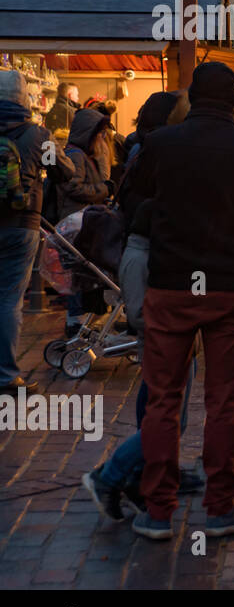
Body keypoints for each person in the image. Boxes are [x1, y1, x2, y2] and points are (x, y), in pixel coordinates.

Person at [130, 61, 234, 540]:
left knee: (163, 400)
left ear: (193, 98)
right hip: (230, 286)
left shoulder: (160, 145)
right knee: (223, 402)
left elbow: (130, 204)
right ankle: (219, 507)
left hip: (172, 284)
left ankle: (158, 510)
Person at [83, 91, 205, 520]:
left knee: (165, 390)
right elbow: (148, 214)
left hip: (156, 270)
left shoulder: (148, 150)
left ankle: (153, 469)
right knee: (166, 395)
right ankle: (122, 472)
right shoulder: (155, 154)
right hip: (156, 273)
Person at [1, 69, 74, 394]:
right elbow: (64, 172)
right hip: (21, 226)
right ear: (24, 97)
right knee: (8, 301)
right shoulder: (37, 135)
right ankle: (5, 377)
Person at [56, 107, 114, 338]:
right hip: (77, 225)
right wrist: (103, 190)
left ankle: (80, 322)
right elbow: (72, 187)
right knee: (80, 276)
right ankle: (75, 323)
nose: (102, 139)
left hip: (81, 223)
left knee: (83, 275)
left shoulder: (81, 154)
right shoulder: (77, 156)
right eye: (99, 134)